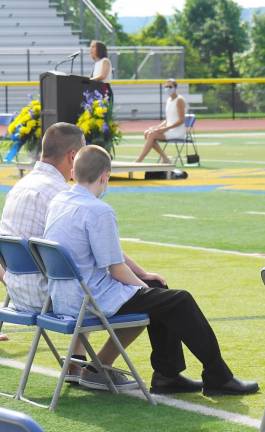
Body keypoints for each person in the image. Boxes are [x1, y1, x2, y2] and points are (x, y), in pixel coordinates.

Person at [44, 144, 259, 396]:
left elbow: (110, 257)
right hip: (90, 300)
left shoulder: (59, 201)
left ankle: (167, 375)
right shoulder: (98, 210)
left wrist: (147, 282)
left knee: (160, 292)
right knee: (180, 300)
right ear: (105, 176)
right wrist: (143, 287)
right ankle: (218, 376)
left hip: (63, 296)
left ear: (74, 172)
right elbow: (116, 269)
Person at [0, 123, 142, 389]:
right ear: (73, 157)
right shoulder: (60, 194)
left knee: (74, 267)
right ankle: (99, 366)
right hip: (51, 296)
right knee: (129, 290)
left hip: (16, 292)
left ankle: (76, 361)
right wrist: (142, 276)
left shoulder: (20, 185)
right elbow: (98, 250)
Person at [136, 79, 186, 164]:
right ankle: (165, 158)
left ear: (175, 88)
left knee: (152, 135)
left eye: (170, 87)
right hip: (169, 130)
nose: (168, 88)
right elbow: (168, 119)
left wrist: (164, 129)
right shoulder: (169, 100)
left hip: (177, 131)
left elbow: (181, 120)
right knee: (147, 133)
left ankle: (139, 160)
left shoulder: (179, 100)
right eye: (166, 87)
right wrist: (157, 127)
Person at [89, 40, 113, 106]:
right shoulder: (96, 63)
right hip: (96, 89)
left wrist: (90, 80)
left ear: (99, 49)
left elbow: (102, 76)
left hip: (103, 89)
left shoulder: (105, 61)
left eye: (93, 47)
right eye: (90, 47)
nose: (90, 49)